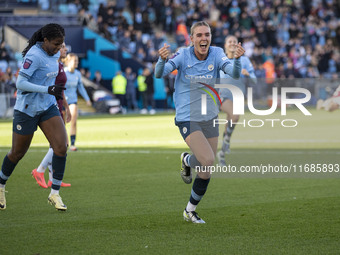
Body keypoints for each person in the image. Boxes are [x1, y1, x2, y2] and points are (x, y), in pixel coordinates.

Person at [155, 21, 245, 223]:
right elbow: (159, 73)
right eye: (199, 35)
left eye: (207, 34)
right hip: (188, 116)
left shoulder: (217, 53)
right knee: (207, 159)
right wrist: (161, 60)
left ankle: (189, 210)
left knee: (206, 169)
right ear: (192, 38)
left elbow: (234, 72)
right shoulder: (182, 55)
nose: (204, 38)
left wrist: (237, 60)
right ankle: (187, 160)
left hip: (210, 115)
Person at [0, 23, 68, 211]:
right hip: (27, 109)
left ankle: (54, 193)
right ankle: (0, 185)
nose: (59, 48)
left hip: (47, 106)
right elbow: (20, 83)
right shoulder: (34, 55)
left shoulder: (54, 53)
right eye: (56, 44)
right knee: (17, 153)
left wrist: (53, 93)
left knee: (61, 147)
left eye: (61, 44)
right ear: (45, 40)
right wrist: (47, 89)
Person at [31, 42, 72, 189]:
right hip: (51, 107)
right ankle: (39, 170)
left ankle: (53, 179)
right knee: (62, 143)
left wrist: (66, 108)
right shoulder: (51, 66)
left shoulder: (59, 65)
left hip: (59, 107)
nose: (65, 49)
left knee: (55, 144)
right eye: (62, 47)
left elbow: (60, 90)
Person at [217, 35, 257, 166]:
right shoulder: (220, 60)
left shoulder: (244, 60)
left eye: (235, 41)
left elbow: (255, 80)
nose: (232, 43)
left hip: (238, 95)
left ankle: (225, 141)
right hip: (222, 94)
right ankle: (223, 148)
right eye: (230, 41)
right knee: (234, 115)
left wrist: (248, 75)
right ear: (225, 45)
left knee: (232, 118)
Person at [64, 53, 92, 151]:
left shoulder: (77, 74)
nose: (77, 62)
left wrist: (87, 99)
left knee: (73, 121)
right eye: (75, 60)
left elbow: (81, 87)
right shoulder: (63, 72)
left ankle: (72, 144)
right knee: (62, 124)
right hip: (63, 102)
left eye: (77, 60)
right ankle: (64, 143)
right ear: (68, 61)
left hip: (73, 101)